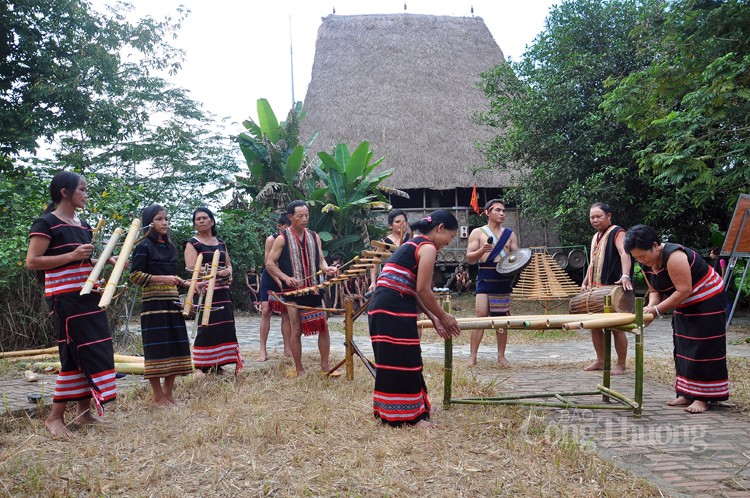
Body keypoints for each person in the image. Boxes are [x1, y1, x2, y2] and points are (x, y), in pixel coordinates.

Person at [26, 171, 116, 436]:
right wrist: (72, 255)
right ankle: (54, 417)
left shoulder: (82, 224)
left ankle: (83, 413)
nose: (86, 195)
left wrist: (101, 261)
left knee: (92, 350)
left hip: (89, 295)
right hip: (64, 299)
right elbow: (33, 261)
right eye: (82, 190)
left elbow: (82, 260)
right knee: (72, 352)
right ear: (64, 192)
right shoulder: (46, 223)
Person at [368, 210, 461, 428]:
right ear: (439, 229)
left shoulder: (413, 244)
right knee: (402, 360)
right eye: (451, 235)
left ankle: (409, 407)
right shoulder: (426, 247)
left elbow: (414, 291)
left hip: (384, 307)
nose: (450, 241)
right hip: (392, 308)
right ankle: (408, 417)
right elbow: (424, 290)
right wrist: (444, 316)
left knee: (401, 358)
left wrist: (434, 317)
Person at [624, 224, 728, 413]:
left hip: (708, 299)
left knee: (703, 346)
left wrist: (656, 311)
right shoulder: (645, 262)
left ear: (655, 246)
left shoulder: (674, 256)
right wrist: (650, 307)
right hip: (683, 302)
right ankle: (686, 393)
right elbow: (655, 290)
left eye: (643, 255)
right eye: (636, 257)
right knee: (683, 346)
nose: (641, 260)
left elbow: (684, 290)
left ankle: (703, 398)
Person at [265, 200, 338, 377]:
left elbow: (320, 260)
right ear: (290, 217)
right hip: (293, 292)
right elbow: (270, 263)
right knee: (296, 328)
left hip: (313, 289)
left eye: (306, 215)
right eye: (300, 216)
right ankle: (299, 369)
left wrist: (327, 268)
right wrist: (285, 278)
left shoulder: (314, 236)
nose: (304, 219)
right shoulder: (282, 238)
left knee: (323, 326)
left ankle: (325, 366)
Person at [130, 205, 193, 407]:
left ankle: (168, 394)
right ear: (150, 222)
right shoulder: (143, 246)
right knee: (156, 349)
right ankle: (157, 396)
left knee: (175, 345)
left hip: (172, 303)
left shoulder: (170, 247)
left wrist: (187, 284)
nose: (164, 223)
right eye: (159, 219)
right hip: (153, 304)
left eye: (166, 219)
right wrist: (163, 279)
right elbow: (135, 276)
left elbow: (172, 278)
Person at [184, 207, 243, 376]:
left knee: (224, 327)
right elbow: (191, 266)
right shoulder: (192, 243)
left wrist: (228, 272)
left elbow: (229, 264)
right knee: (206, 326)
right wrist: (216, 272)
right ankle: (200, 365)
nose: (201, 221)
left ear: (212, 221)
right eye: (197, 219)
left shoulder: (221, 243)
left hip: (222, 291)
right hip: (204, 291)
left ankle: (217, 364)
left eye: (204, 218)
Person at [580, 202, 633, 375]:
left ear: (609, 216)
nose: (594, 220)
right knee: (595, 326)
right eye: (591, 217)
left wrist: (625, 275)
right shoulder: (595, 237)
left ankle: (621, 364)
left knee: (616, 327)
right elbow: (592, 262)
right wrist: (585, 281)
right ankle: (601, 361)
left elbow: (625, 252)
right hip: (596, 289)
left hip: (612, 288)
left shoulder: (618, 232)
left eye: (598, 216)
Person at [466, 199, 518, 367]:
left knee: (501, 318)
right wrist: (482, 250)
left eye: (504, 211)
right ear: (488, 212)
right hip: (485, 276)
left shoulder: (510, 234)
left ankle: (501, 356)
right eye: (498, 210)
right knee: (480, 315)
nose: (502, 213)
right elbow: (469, 258)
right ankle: (472, 357)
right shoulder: (478, 232)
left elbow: (517, 258)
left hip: (503, 278)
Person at [257, 213, 292, 361]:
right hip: (270, 277)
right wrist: (279, 281)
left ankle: (287, 348)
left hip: (286, 277)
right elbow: (269, 263)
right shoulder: (271, 239)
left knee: (285, 313)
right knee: (266, 311)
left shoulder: (293, 239)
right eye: (286, 227)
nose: (289, 230)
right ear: (279, 227)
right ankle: (262, 350)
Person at [368, 209, 410, 292]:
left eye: (404, 222)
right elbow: (375, 262)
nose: (402, 224)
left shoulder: (412, 238)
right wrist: (373, 282)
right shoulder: (383, 242)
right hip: (391, 281)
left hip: (409, 279)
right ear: (390, 225)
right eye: (397, 222)